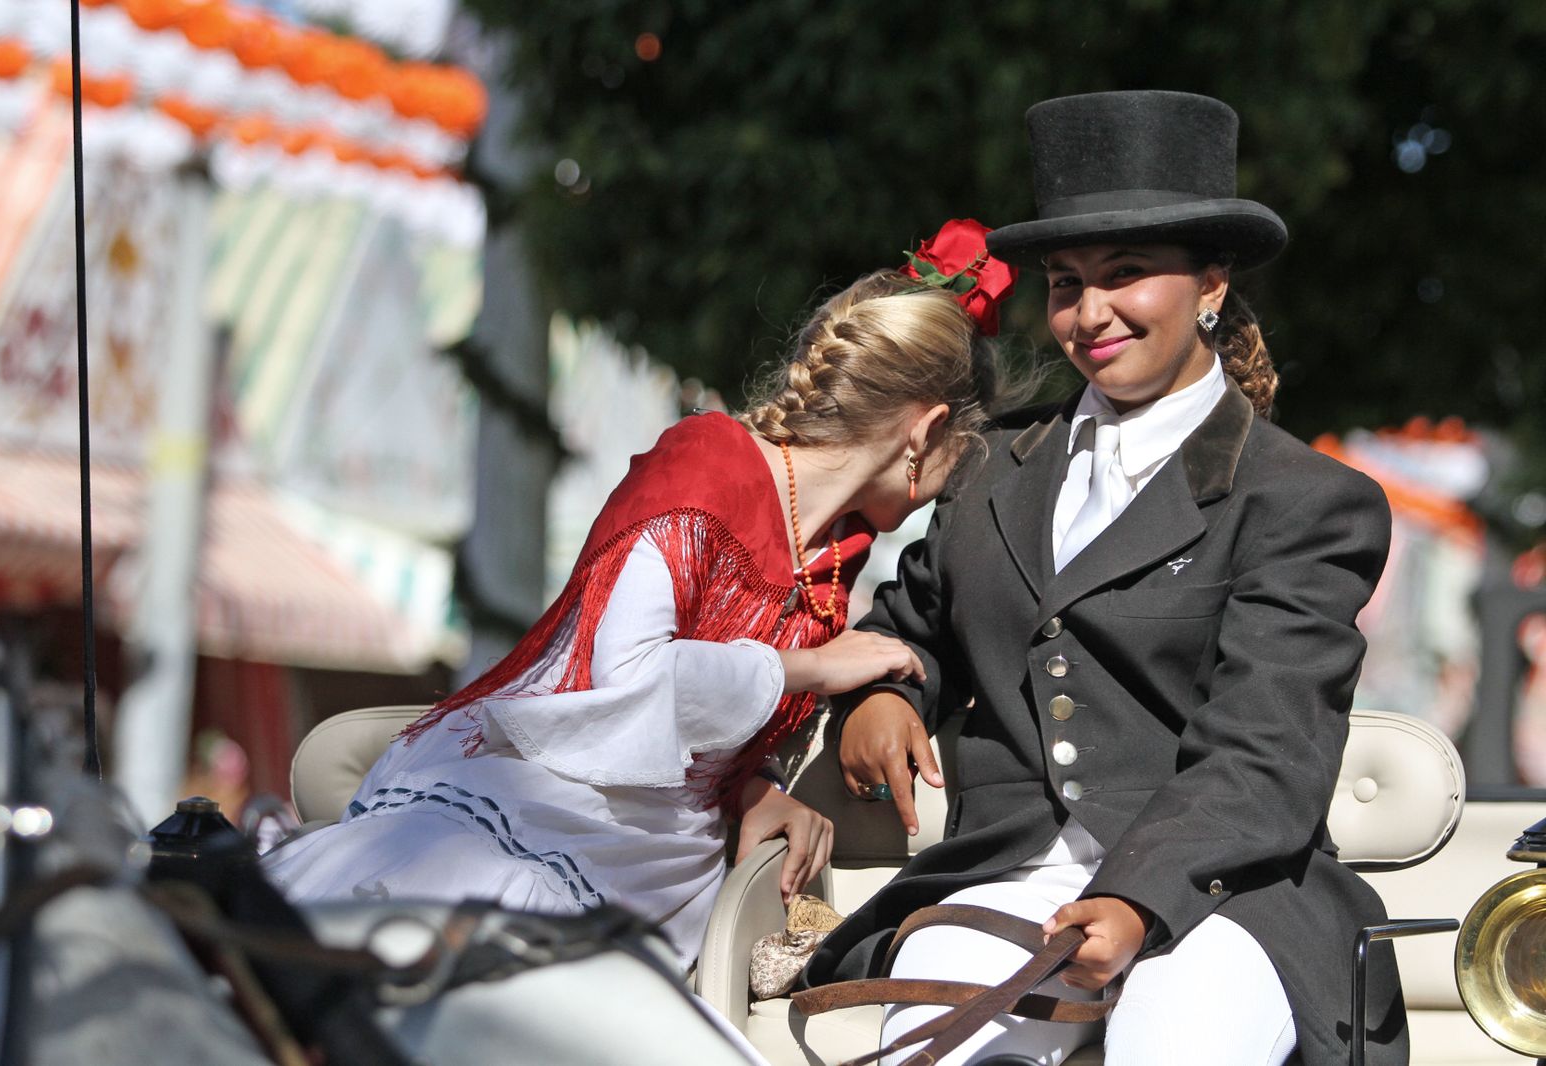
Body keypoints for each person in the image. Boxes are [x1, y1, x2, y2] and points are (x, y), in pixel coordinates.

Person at [801, 91, 1406, 1065]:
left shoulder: (1307, 500)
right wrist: (883, 692)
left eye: (1125, 275)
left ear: (1211, 283)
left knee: (1175, 1036)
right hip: (1005, 875)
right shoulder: (987, 466)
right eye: (1065, 283)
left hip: (1226, 892)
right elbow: (913, 622)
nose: (1089, 315)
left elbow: (1267, 747)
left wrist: (1137, 896)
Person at [262, 221, 1019, 969]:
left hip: (658, 867)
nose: (953, 484)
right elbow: (627, 677)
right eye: (964, 454)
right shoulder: (707, 462)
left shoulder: (833, 554)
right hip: (550, 809)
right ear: (926, 432)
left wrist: (751, 789)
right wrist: (813, 669)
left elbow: (706, 723)